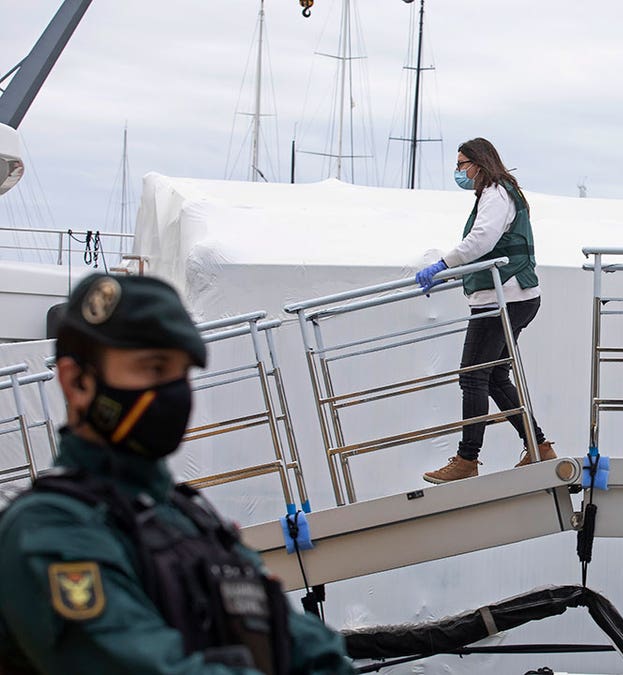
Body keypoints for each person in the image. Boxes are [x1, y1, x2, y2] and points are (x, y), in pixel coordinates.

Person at [0, 273, 354, 674]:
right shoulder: (49, 531)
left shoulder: (191, 519)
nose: (172, 391)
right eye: (152, 368)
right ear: (77, 382)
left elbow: (303, 645)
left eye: (179, 372)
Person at [416, 138, 555, 483]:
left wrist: (443, 265)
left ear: (479, 163)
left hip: (503, 298)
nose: (459, 171)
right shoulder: (501, 192)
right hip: (515, 296)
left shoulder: (495, 192)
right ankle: (538, 447)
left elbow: (482, 239)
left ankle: (467, 460)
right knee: (492, 377)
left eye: (462, 164)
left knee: (473, 375)